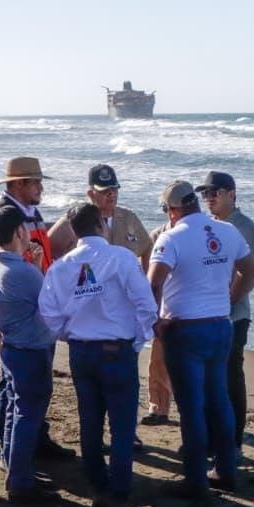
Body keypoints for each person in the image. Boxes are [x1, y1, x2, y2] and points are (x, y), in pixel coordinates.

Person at [40, 203, 157, 507]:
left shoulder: (61, 267)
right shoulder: (121, 258)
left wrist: (69, 334)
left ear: (73, 231)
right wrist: (136, 341)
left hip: (82, 350)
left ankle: (99, 490)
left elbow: (48, 313)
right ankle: (118, 498)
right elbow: (146, 305)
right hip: (116, 349)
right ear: (101, 225)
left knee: (90, 423)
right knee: (122, 427)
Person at [148, 181, 254, 504]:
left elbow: (153, 283)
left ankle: (196, 480)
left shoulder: (171, 238)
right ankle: (225, 469)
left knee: (191, 406)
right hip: (219, 324)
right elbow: (250, 271)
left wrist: (154, 320)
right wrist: (229, 299)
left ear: (172, 210)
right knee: (218, 398)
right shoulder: (227, 230)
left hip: (185, 329)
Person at [0, 157, 75, 460]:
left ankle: (31, 440)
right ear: (18, 185)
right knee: (19, 386)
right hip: (24, 317)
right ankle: (15, 447)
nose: (41, 187)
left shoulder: (29, 212)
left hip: (35, 312)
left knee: (26, 385)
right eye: (35, 182)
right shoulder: (3, 216)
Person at [46, 164, 154, 448]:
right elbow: (50, 251)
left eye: (115, 190)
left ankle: (127, 433)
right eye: (105, 191)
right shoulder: (75, 219)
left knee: (123, 389)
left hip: (120, 318)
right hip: (88, 311)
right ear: (91, 193)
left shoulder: (128, 218)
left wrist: (146, 282)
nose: (111, 195)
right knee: (92, 402)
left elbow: (147, 248)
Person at [0, 205, 61, 504]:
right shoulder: (22, 271)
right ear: (19, 231)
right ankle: (20, 481)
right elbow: (50, 303)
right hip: (30, 349)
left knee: (14, 411)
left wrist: (35, 264)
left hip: (12, 346)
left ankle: (14, 468)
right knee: (28, 415)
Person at [196, 171, 254, 449]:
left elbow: (249, 273)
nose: (209, 198)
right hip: (207, 316)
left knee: (230, 376)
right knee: (208, 378)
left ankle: (233, 440)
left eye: (215, 192)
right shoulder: (209, 225)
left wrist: (227, 302)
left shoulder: (244, 227)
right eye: (205, 194)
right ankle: (213, 436)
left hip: (233, 316)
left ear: (232, 194)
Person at [141, 218, 174, 426]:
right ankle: (158, 407)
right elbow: (147, 274)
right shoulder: (157, 235)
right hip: (163, 307)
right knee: (158, 362)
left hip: (190, 309)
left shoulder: (197, 232)